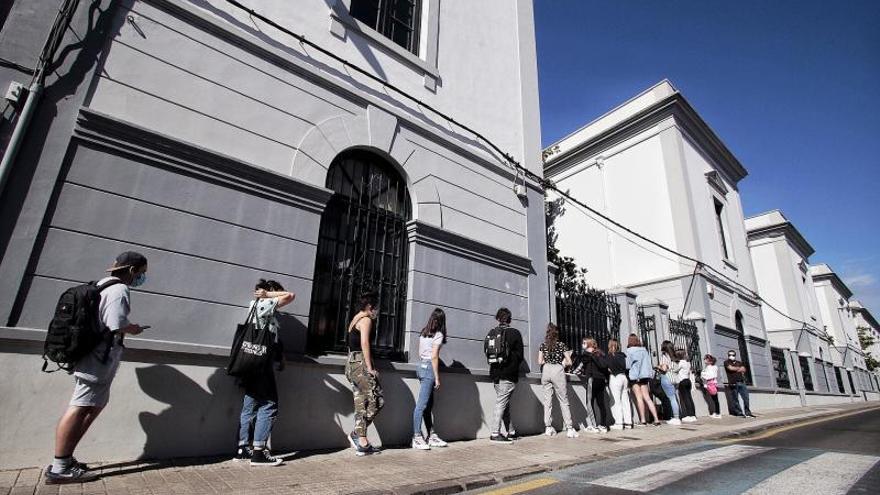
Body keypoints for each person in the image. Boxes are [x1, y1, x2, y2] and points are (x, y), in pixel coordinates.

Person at [45, 252, 149, 484]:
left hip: (91, 355)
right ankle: (60, 466)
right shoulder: (120, 289)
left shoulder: (101, 285)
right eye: (141, 273)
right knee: (80, 407)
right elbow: (116, 323)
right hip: (98, 357)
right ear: (132, 270)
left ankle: (65, 459)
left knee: (91, 406)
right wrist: (133, 328)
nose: (141, 278)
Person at [233, 279, 295, 466]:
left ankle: (243, 448)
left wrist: (280, 356)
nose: (279, 296)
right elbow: (290, 295)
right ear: (269, 292)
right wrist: (269, 294)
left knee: (249, 404)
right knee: (269, 404)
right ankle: (259, 452)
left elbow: (272, 339)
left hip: (250, 363)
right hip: (261, 364)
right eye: (277, 292)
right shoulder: (265, 303)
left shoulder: (256, 306)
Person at [345, 291, 385, 455]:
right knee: (377, 399)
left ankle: (361, 439)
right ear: (369, 306)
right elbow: (364, 343)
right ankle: (358, 435)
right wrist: (369, 367)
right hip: (360, 363)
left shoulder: (354, 319)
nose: (377, 311)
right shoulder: (366, 320)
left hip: (351, 363)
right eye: (376, 308)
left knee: (361, 402)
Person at [411, 308, 449, 450]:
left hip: (420, 366)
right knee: (421, 405)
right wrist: (437, 378)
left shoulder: (423, 332)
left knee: (427, 405)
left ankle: (431, 435)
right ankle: (416, 436)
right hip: (428, 369)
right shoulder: (438, 334)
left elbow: (421, 352)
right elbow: (434, 356)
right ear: (442, 321)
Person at [488, 307, 524, 443]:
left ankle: (511, 431)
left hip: (495, 374)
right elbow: (520, 356)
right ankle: (495, 433)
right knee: (501, 403)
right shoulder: (515, 333)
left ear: (498, 318)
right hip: (508, 374)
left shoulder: (492, 332)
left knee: (504, 404)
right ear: (509, 319)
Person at [538, 323, 578, 438]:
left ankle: (548, 427)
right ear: (556, 334)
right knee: (563, 400)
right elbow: (569, 361)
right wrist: (562, 363)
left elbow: (539, 361)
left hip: (546, 371)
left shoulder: (543, 345)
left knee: (547, 401)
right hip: (558, 370)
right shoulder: (561, 345)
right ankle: (570, 428)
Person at [575, 338, 610, 433]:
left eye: (584, 343)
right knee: (601, 403)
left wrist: (575, 372)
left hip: (592, 379)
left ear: (589, 344)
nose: (583, 344)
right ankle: (603, 425)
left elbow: (579, 368)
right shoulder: (600, 353)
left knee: (589, 402)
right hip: (601, 380)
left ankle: (594, 426)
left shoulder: (586, 355)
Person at [625, 334, 661, 427]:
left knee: (639, 398)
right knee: (647, 398)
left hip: (634, 376)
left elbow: (627, 365)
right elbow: (649, 364)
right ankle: (656, 419)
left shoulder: (629, 351)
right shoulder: (644, 350)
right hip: (644, 376)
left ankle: (643, 420)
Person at [605, 339, 633, 430]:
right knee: (625, 400)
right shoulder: (622, 355)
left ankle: (619, 422)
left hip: (615, 377)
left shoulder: (609, 356)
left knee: (615, 401)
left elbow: (608, 369)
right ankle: (628, 422)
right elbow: (627, 366)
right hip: (624, 377)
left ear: (610, 345)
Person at [724, 350, 755, 418]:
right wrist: (738, 369)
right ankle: (739, 413)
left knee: (746, 398)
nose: (731, 356)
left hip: (741, 382)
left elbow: (744, 369)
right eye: (729, 355)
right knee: (735, 399)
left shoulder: (739, 362)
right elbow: (730, 368)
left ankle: (747, 412)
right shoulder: (726, 362)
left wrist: (735, 369)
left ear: (735, 355)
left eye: (732, 355)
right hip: (733, 382)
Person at [658, 341, 682, 425]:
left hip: (667, 377)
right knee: (674, 398)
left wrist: (658, 366)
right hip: (675, 378)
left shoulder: (664, 355)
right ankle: (677, 416)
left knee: (671, 398)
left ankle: (676, 418)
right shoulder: (674, 356)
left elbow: (664, 369)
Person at [675, 349, 697, 422]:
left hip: (682, 382)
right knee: (689, 398)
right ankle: (693, 414)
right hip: (688, 381)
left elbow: (675, 370)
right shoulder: (688, 363)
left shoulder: (680, 363)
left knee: (685, 399)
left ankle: (690, 415)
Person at [701, 354, 722, 418]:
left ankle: (718, 413)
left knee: (714, 399)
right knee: (715, 399)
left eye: (705, 359)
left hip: (710, 383)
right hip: (713, 383)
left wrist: (702, 373)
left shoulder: (709, 367)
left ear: (708, 360)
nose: (704, 360)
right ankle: (716, 412)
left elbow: (708, 376)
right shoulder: (714, 367)